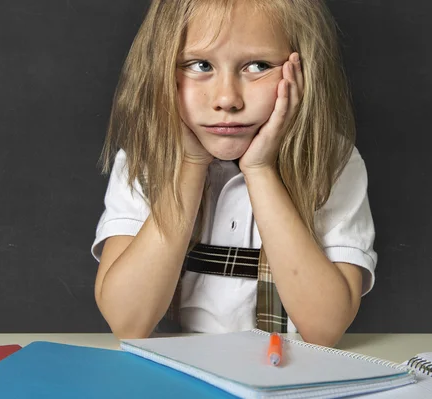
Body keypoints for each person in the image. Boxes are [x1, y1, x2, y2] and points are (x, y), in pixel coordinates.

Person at [91, 0, 377, 347]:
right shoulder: (144, 160)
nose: (227, 99)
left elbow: (324, 329)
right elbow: (127, 322)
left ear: (303, 71)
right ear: (160, 71)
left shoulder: (331, 161)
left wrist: (260, 170)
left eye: (258, 66)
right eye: (200, 65)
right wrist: (190, 166)